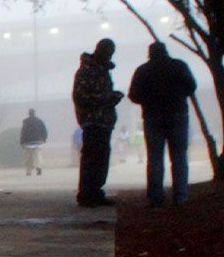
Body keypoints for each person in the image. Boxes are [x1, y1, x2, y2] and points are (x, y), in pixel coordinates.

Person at [127, 41, 197, 206]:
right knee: (179, 157)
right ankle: (180, 196)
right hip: (177, 114)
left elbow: (133, 95)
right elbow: (191, 86)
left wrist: (147, 100)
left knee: (155, 159)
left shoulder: (143, 71)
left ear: (149, 53)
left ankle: (155, 198)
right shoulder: (179, 66)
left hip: (152, 116)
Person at [72, 38, 121, 207]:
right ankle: (87, 193)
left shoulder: (102, 70)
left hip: (104, 121)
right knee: (92, 159)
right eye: (108, 52)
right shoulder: (86, 71)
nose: (109, 56)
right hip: (93, 122)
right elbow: (80, 98)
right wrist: (108, 98)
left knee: (101, 159)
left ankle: (96, 191)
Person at [19, 108, 48, 175]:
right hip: (38, 141)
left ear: (28, 114)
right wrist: (44, 139)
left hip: (28, 142)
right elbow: (44, 131)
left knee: (28, 157)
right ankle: (38, 167)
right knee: (37, 155)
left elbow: (23, 132)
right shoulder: (39, 121)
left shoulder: (26, 122)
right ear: (34, 113)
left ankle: (28, 171)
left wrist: (21, 142)